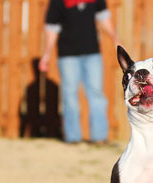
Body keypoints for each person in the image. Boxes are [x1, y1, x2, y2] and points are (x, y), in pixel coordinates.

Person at [39, 0, 120, 144]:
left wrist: (115, 39)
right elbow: (52, 27)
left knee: (97, 94)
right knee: (70, 95)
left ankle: (100, 137)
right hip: (68, 55)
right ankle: (72, 138)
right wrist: (47, 53)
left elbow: (104, 18)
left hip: (92, 53)